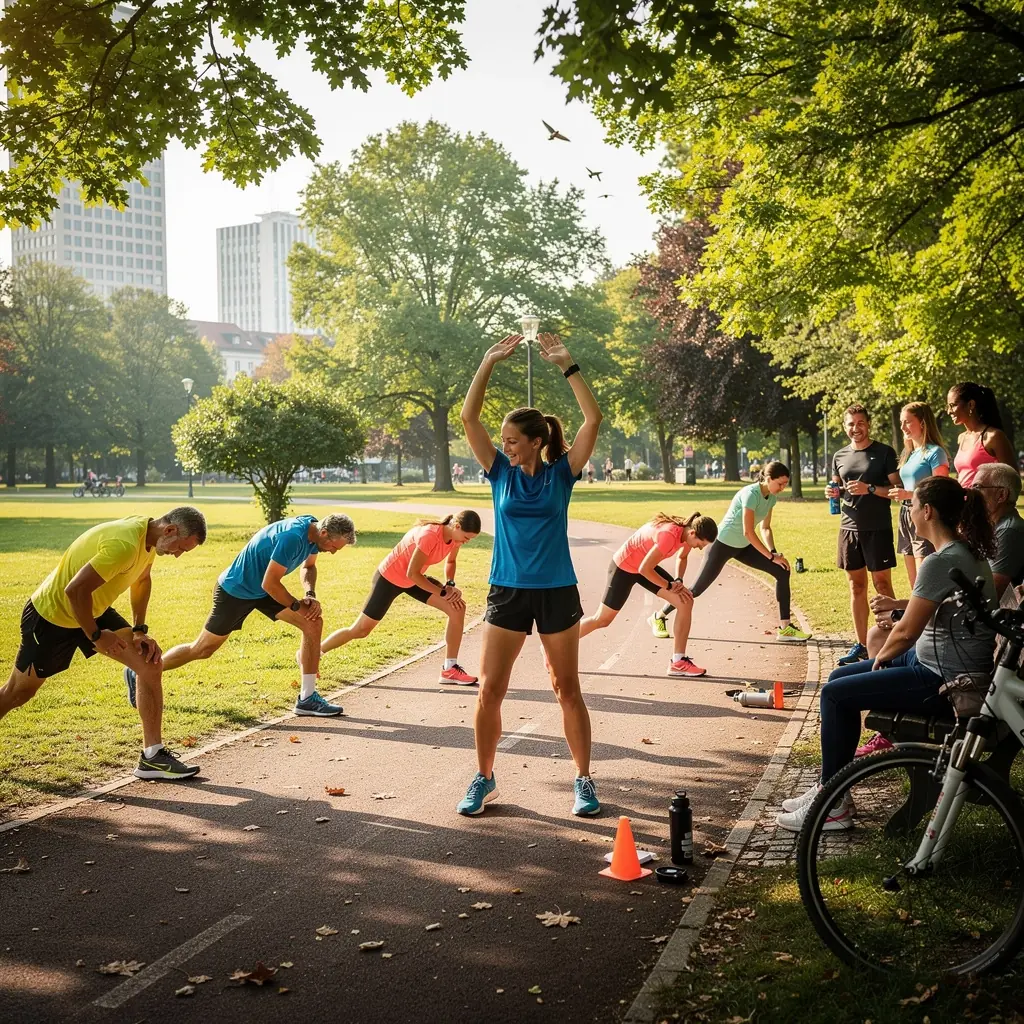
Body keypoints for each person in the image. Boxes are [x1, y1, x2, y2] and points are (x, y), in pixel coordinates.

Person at [776, 476, 997, 832]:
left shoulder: (940, 562)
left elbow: (907, 632)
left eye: (912, 505)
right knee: (837, 678)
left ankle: (833, 807)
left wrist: (880, 658)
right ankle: (829, 787)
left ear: (927, 511)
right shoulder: (962, 552)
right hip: (938, 662)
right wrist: (897, 611)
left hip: (944, 679)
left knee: (835, 695)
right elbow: (927, 607)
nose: (908, 511)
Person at [458, 331, 602, 818]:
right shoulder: (499, 472)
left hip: (557, 591)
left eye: (515, 442)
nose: (507, 448)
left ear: (537, 442)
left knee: (568, 689)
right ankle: (484, 777)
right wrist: (487, 362)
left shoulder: (563, 473)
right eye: (505, 443)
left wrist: (569, 365)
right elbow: (468, 417)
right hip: (508, 592)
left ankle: (583, 780)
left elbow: (592, 419)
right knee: (489, 689)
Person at [1, 508, 207, 780]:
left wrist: (139, 631)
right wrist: (97, 635)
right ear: (169, 530)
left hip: (93, 608)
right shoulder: (123, 544)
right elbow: (74, 591)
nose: (177, 554)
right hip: (52, 617)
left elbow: (142, 580)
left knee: (149, 664)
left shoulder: (149, 538)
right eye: (180, 547)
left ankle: (153, 757)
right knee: (18, 694)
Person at [127, 514, 357, 718]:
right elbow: (270, 583)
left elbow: (308, 568)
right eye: (333, 546)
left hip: (263, 588)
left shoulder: (315, 534)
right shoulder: (293, 537)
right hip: (236, 590)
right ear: (324, 532)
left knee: (313, 621)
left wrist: (310, 594)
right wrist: (297, 606)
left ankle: (307, 698)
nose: (333, 551)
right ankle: (140, 670)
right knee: (203, 649)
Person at [652, 462, 812, 643]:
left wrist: (774, 553)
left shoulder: (772, 498)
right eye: (780, 483)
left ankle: (785, 629)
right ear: (768, 479)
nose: (783, 488)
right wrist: (770, 557)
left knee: (782, 570)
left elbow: (765, 528)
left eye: (785, 484)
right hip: (722, 544)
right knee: (696, 590)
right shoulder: (751, 494)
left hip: (743, 546)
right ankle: (659, 616)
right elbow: (748, 531)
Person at [321, 511, 482, 685]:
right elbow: (412, 573)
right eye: (466, 537)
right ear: (456, 526)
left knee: (457, 607)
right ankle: (315, 652)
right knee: (360, 630)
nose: (467, 541)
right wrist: (443, 593)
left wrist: (449, 584)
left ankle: (449, 669)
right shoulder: (429, 535)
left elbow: (450, 562)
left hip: (413, 580)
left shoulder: (455, 539)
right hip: (390, 578)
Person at [580, 513, 718, 677]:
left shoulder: (687, 533)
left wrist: (678, 580)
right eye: (700, 544)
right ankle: (553, 647)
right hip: (624, 567)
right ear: (693, 533)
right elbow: (644, 569)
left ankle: (678, 662)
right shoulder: (669, 535)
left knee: (685, 601)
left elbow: (682, 557)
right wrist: (668, 585)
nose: (700, 548)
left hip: (644, 567)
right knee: (602, 620)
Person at [825, 405, 901, 665]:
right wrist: (833, 493)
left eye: (860, 423)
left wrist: (869, 488)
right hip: (848, 527)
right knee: (856, 587)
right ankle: (861, 645)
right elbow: (838, 486)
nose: (855, 428)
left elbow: (896, 489)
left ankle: (892, 640)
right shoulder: (839, 455)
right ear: (844, 427)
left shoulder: (884, 453)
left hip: (877, 527)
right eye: (850, 424)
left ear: (868, 424)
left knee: (882, 585)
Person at [889, 402, 949, 588]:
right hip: (906, 515)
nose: (903, 427)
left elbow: (941, 489)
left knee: (925, 582)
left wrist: (908, 494)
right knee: (913, 582)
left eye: (907, 422)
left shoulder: (935, 453)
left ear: (922, 422)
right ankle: (919, 617)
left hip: (925, 516)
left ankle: (930, 616)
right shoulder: (909, 454)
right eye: (901, 422)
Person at [947, 382, 1015, 488]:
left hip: (985, 504)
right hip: (963, 503)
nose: (949, 411)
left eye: (953, 405)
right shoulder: (962, 438)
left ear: (971, 404)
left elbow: (1012, 480)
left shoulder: (994, 437)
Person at [973, 462, 1024, 598]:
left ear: (1001, 495)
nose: (971, 494)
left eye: (977, 487)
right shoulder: (993, 526)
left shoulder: (1009, 531)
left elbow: (991, 593)